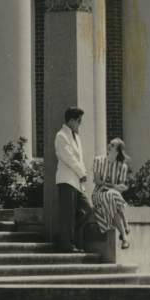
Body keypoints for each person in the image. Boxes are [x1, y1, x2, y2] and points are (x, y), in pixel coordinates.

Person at [54, 107, 93, 253]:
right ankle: (67, 244)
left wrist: (82, 177)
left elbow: (79, 159)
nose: (80, 124)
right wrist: (81, 172)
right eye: (79, 121)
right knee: (68, 214)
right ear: (71, 121)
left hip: (77, 182)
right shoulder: (61, 136)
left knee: (88, 209)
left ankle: (65, 236)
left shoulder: (76, 137)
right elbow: (68, 157)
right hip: (66, 180)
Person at [93, 138, 132, 249]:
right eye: (109, 143)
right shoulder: (99, 161)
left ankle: (124, 237)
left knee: (111, 195)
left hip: (113, 196)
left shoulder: (122, 167)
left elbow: (121, 187)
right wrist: (114, 186)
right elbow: (97, 181)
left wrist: (114, 187)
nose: (109, 145)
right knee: (111, 195)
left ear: (118, 150)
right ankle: (124, 224)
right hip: (98, 194)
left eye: (113, 145)